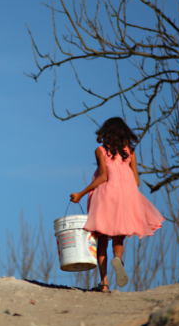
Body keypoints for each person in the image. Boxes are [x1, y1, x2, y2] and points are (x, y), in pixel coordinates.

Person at [70, 117, 164, 293]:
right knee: (120, 234)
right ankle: (118, 260)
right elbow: (136, 181)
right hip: (126, 196)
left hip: (106, 194)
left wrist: (81, 194)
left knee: (103, 236)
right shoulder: (130, 153)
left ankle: (104, 283)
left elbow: (103, 176)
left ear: (106, 133)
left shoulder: (100, 151)